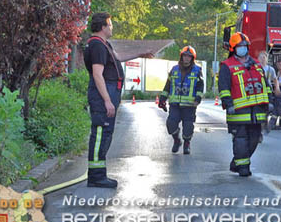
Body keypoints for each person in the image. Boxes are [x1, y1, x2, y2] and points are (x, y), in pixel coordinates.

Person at [84, 12, 153, 188]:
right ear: (103, 27)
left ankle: (98, 174)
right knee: (101, 132)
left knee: (105, 132)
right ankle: (96, 176)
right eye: (110, 24)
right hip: (103, 93)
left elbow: (119, 57)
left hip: (108, 91)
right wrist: (107, 100)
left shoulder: (103, 45)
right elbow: (98, 75)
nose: (112, 27)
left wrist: (140, 54)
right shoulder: (97, 46)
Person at [218, 32, 269, 177]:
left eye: (245, 46)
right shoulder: (227, 66)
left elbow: (265, 84)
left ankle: (237, 162)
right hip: (238, 111)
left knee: (254, 139)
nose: (243, 48)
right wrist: (228, 105)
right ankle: (243, 167)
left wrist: (269, 102)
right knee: (240, 139)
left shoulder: (256, 64)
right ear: (234, 48)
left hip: (256, 111)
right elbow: (224, 88)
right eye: (240, 46)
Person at [159, 46, 204, 155]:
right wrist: (162, 99)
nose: (187, 58)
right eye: (185, 56)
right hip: (175, 104)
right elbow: (168, 85)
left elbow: (200, 87)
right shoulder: (174, 69)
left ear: (192, 58)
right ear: (181, 56)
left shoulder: (197, 71)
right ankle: (177, 140)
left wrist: (197, 99)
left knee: (188, 128)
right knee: (171, 124)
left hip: (190, 106)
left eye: (189, 56)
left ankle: (187, 143)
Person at [257, 51, 281, 136]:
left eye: (264, 57)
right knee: (259, 111)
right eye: (261, 57)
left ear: (267, 59)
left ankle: (264, 127)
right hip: (258, 93)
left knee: (267, 111)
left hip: (267, 93)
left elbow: (275, 80)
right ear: (258, 59)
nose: (263, 59)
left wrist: (277, 88)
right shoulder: (255, 68)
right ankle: (260, 130)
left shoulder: (271, 69)